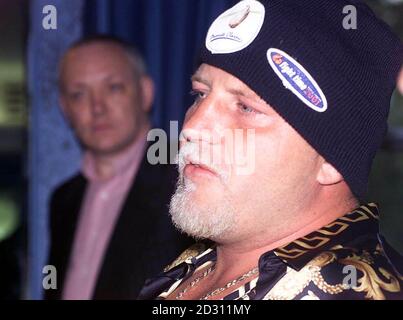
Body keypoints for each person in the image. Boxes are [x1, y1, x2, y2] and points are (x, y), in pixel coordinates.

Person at [138, 0, 403, 300]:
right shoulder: (192, 266)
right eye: (200, 94)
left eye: (246, 108)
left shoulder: (345, 291)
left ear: (331, 160)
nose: (192, 128)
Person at [46, 35, 193, 300]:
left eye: (113, 87)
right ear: (64, 108)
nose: (97, 108)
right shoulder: (63, 199)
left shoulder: (187, 175)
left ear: (145, 93)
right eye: (79, 94)